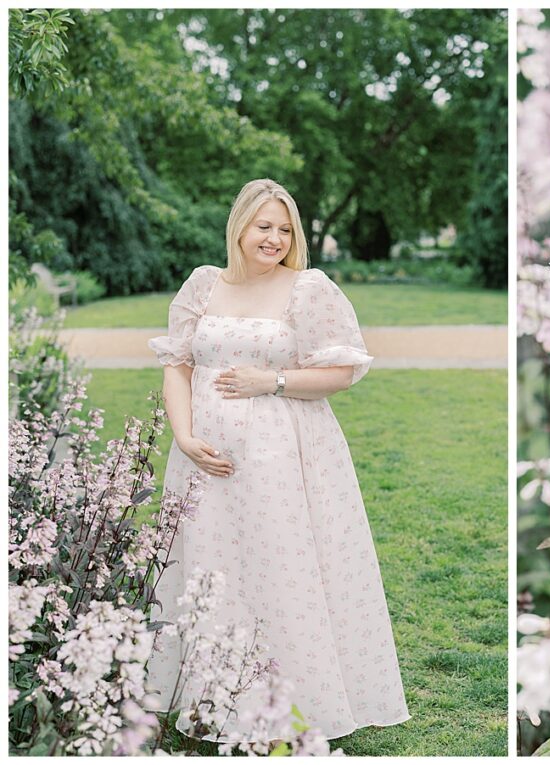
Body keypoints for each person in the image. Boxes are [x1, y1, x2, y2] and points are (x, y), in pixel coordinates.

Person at [146, 178, 410, 744]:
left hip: (282, 456)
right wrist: (185, 436)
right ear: (240, 226)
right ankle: (209, 698)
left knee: (280, 568)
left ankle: (290, 701)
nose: (274, 238)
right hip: (204, 456)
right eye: (264, 226)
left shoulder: (308, 288)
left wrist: (275, 379)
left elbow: (342, 370)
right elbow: (177, 365)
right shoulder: (202, 286)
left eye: (285, 228)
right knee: (210, 566)